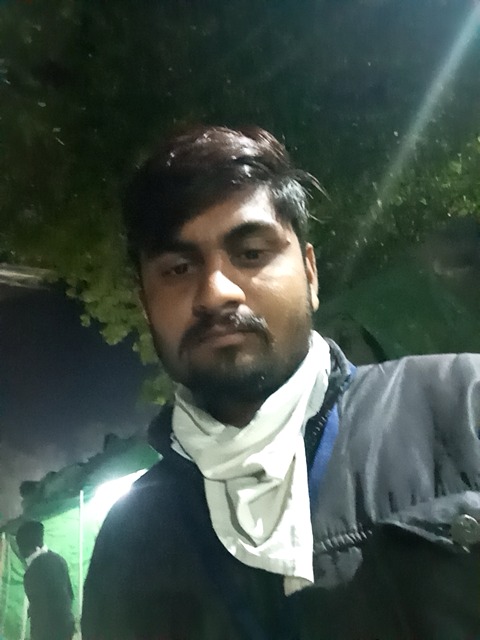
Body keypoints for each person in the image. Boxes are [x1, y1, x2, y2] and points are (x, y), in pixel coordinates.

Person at [82, 125, 480, 640]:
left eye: (250, 253)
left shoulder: (463, 406)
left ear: (310, 274)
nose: (216, 292)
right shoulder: (127, 543)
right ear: (145, 305)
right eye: (178, 269)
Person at [15, 520, 75, 640]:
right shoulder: (59, 560)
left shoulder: (34, 571)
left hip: (48, 634)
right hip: (65, 630)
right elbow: (70, 595)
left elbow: (41, 610)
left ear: (25, 549)